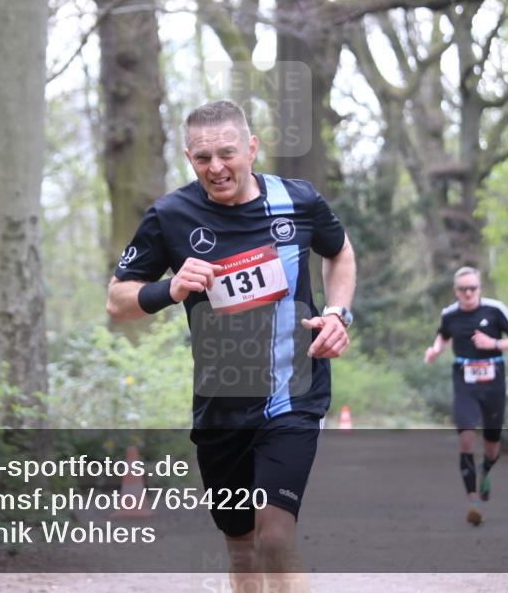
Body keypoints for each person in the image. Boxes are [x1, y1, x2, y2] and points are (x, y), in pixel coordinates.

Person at [107, 100, 356, 592]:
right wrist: (171, 288)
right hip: (220, 405)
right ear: (188, 158)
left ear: (251, 148)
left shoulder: (298, 201)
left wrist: (336, 313)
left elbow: (340, 251)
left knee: (276, 538)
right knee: (242, 550)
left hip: (293, 393)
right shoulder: (170, 215)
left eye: (227, 153)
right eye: (203, 158)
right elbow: (118, 300)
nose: (216, 167)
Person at [423, 266, 508, 526]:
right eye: (463, 289)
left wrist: (494, 344)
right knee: (466, 437)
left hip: (493, 384)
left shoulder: (495, 310)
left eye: (473, 288)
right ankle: (473, 500)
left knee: (492, 444)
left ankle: (486, 471)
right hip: (464, 383)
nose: (468, 293)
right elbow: (443, 336)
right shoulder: (450, 314)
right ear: (456, 291)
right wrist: (434, 350)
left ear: (479, 288)